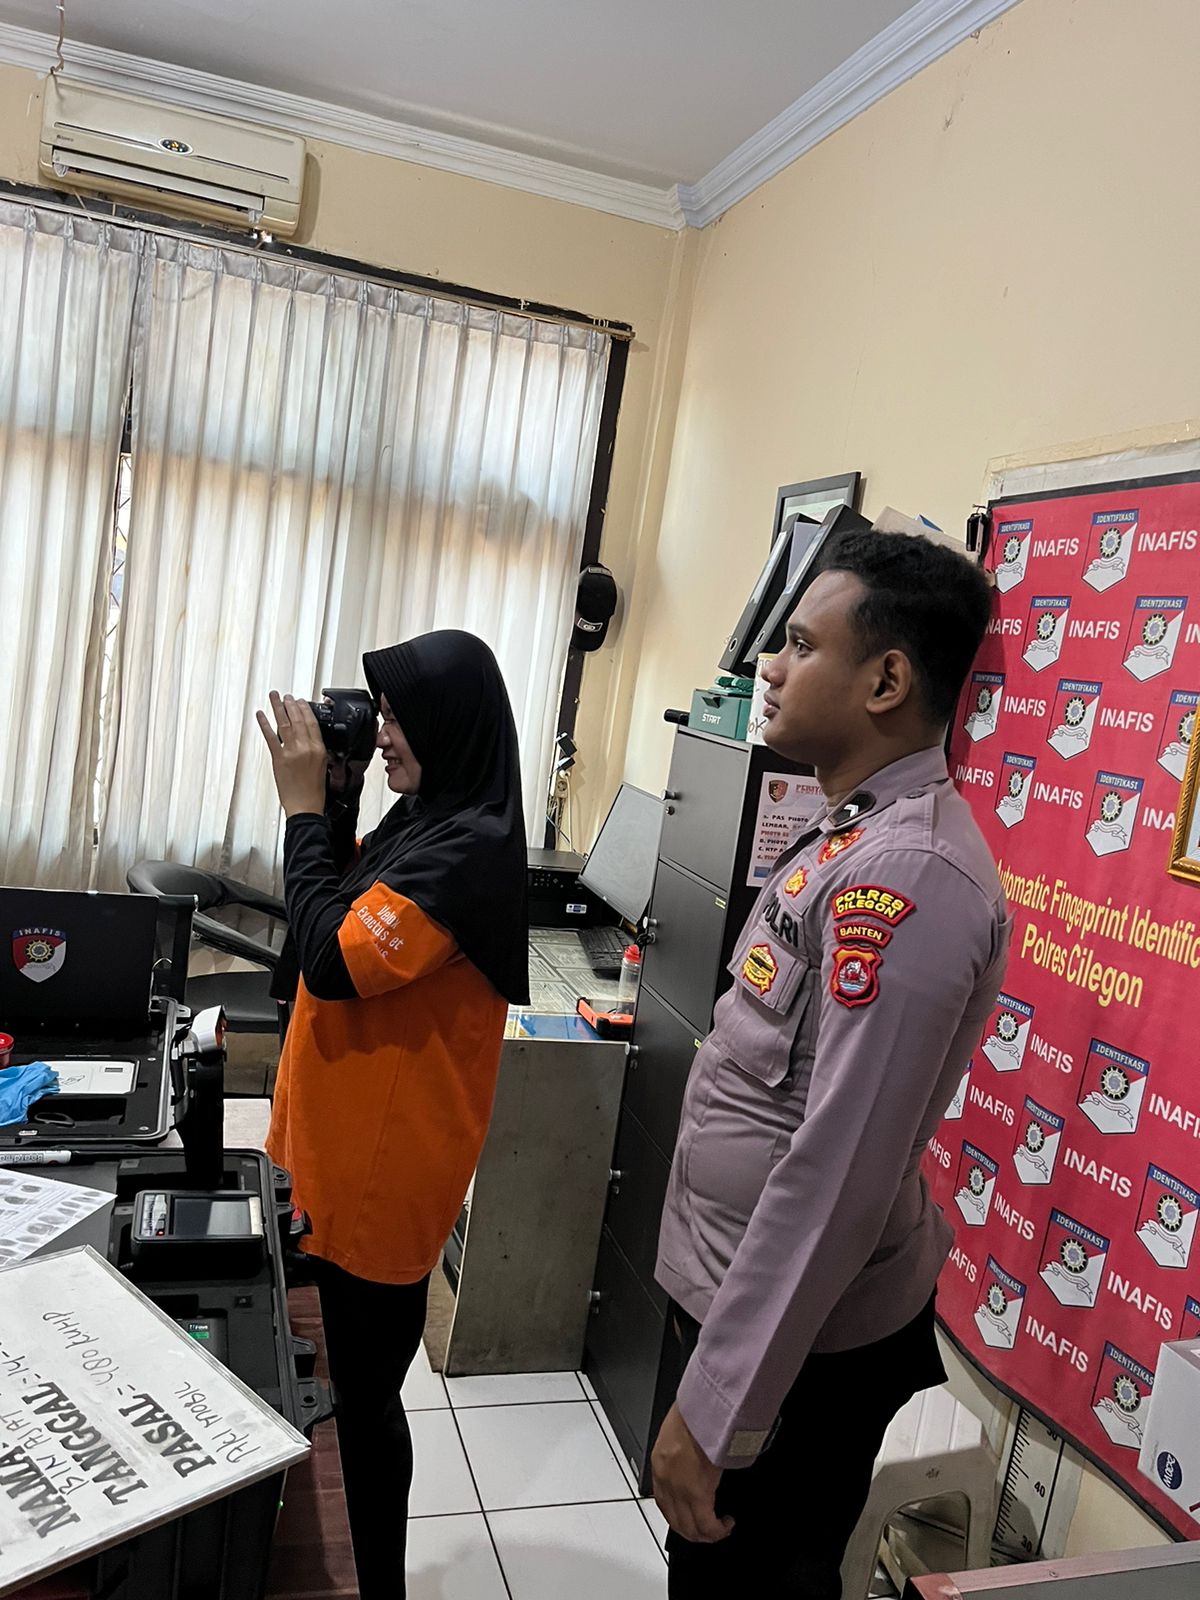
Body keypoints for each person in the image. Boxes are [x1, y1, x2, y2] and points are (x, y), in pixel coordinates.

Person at [651, 531, 1011, 1597]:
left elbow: (839, 1175)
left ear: (886, 681)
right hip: (751, 1313)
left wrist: (719, 1407)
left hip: (798, 1353)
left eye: (802, 645)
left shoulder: (911, 874)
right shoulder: (855, 831)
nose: (768, 666)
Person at [256, 630, 528, 1600]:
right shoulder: (426, 817)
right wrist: (334, 802)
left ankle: (377, 1586)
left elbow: (332, 959)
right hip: (329, 1152)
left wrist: (300, 810)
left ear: (450, 726)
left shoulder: (468, 852)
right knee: (336, 1386)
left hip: (378, 1187)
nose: (380, 734)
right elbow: (328, 914)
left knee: (366, 1406)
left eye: (399, 717)